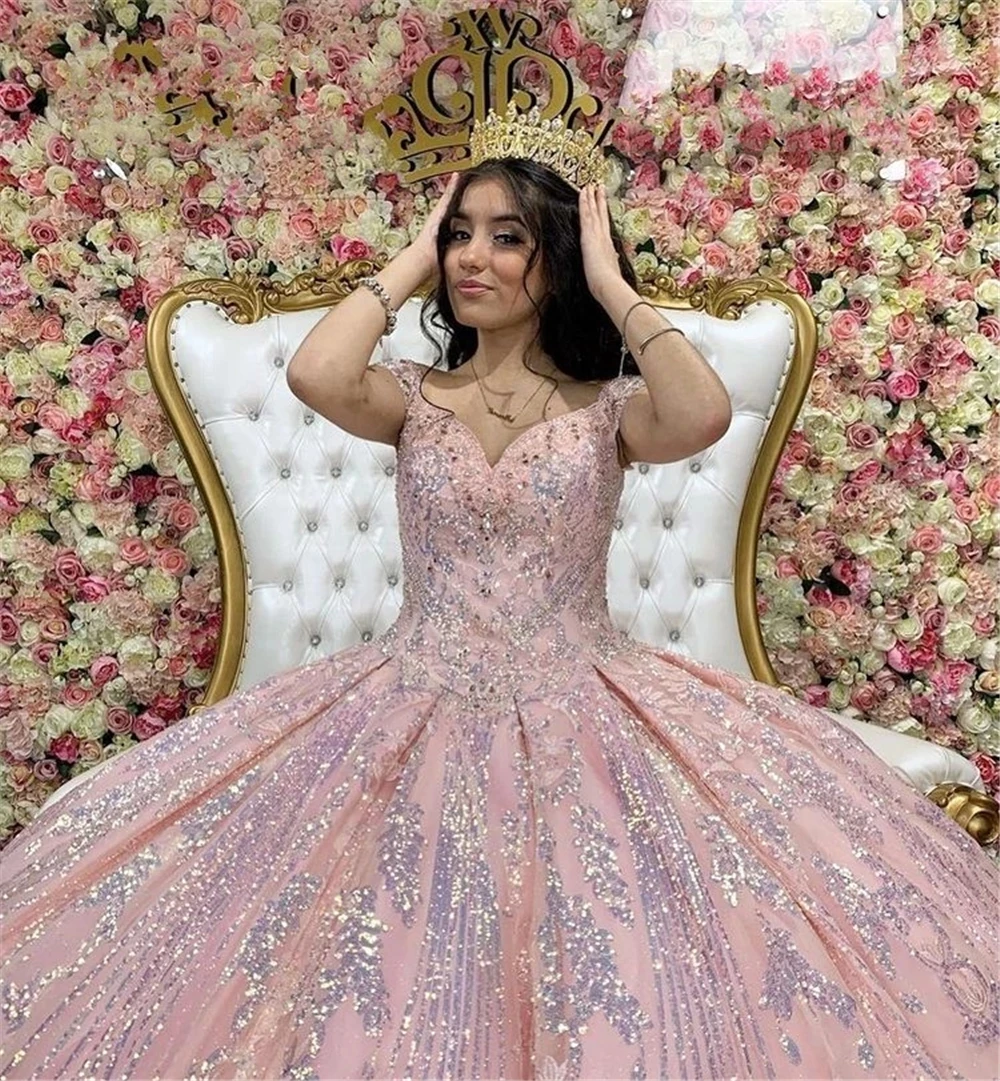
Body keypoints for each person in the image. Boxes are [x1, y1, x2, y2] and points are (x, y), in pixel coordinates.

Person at [1, 109, 996, 1081]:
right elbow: (315, 371)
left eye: (507, 238)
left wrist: (612, 286)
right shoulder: (410, 396)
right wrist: (410, 257)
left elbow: (699, 413)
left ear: (556, 260)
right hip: (408, 693)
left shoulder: (609, 409)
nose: (473, 257)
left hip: (583, 699)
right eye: (460, 235)